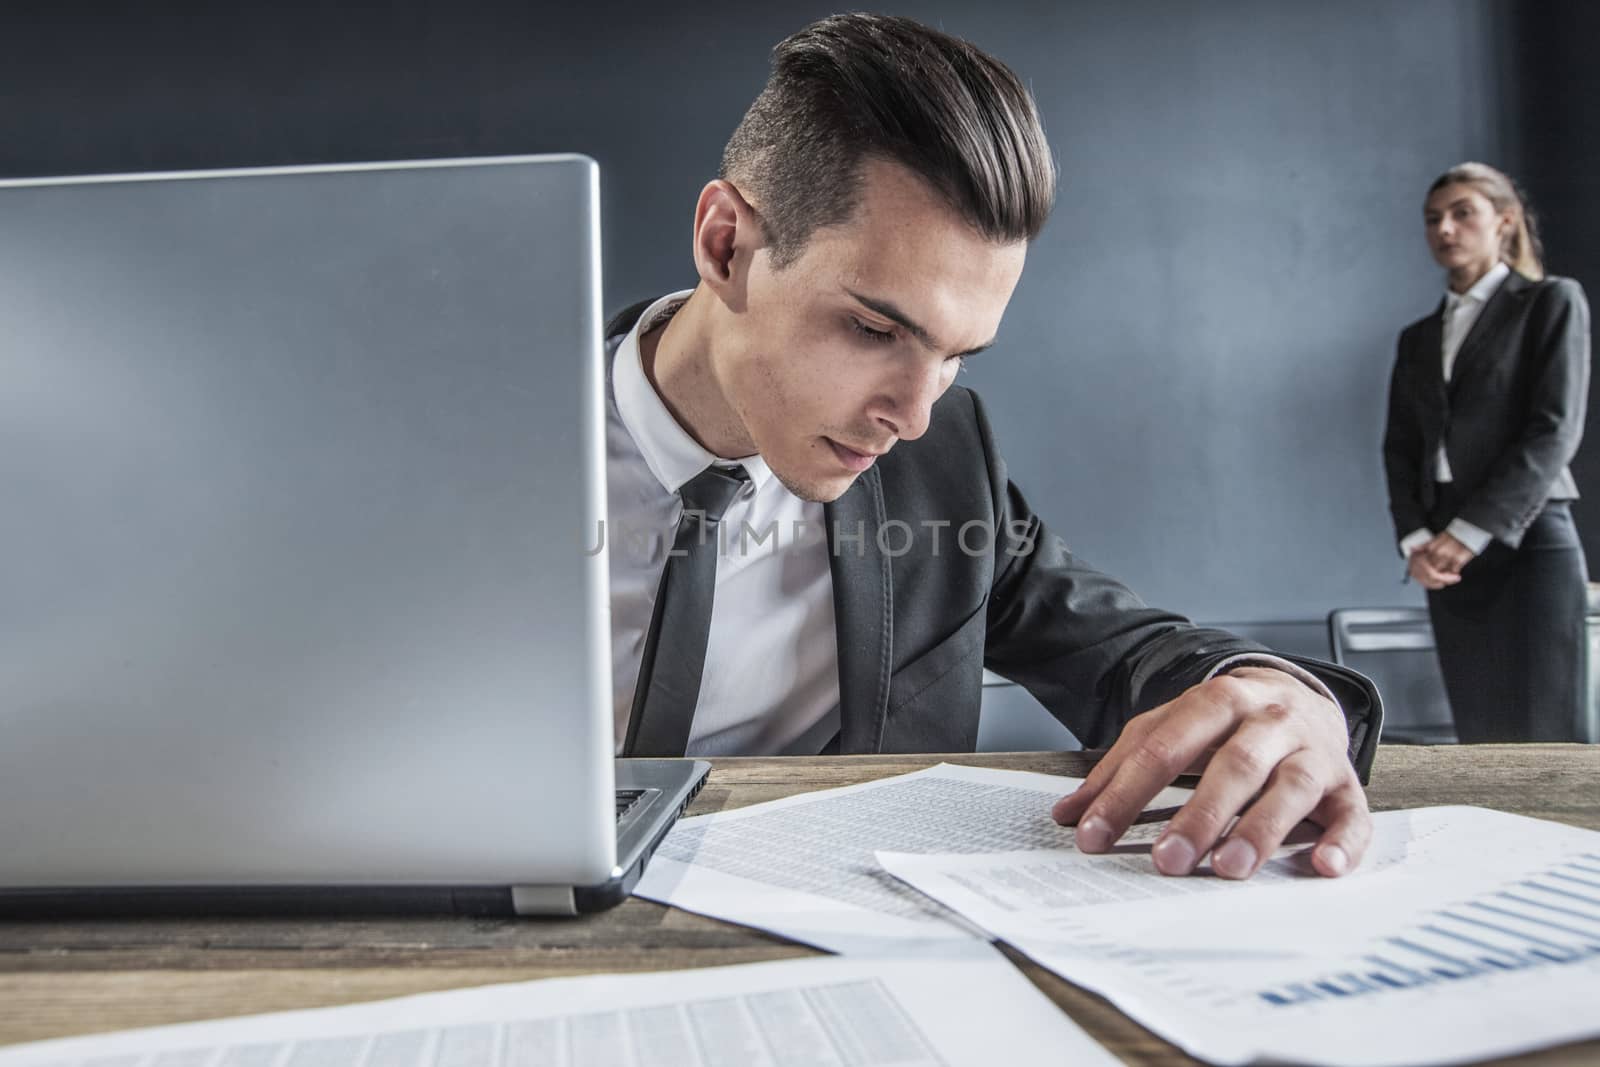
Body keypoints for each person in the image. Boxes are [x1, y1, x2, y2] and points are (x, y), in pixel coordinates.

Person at [606, 13, 1377, 881]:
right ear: (726, 244)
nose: (912, 415)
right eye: (871, 328)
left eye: (956, 356)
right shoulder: (469, 444)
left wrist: (1277, 696)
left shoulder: (944, 465)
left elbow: (1123, 650)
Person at [1383, 162, 1590, 742]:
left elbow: (1553, 431)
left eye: (1461, 213)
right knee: (1479, 736)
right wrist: (1418, 540)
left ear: (1505, 221)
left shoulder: (1551, 302)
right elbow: (1401, 449)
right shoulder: (1417, 338)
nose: (1444, 229)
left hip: (1530, 542)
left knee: (1550, 737)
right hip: (1446, 561)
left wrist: (1468, 534)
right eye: (1432, 219)